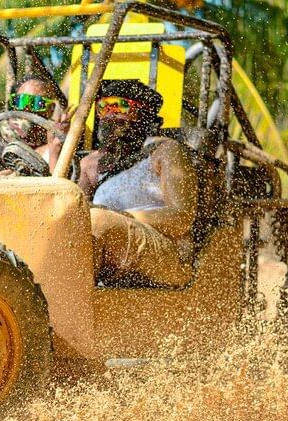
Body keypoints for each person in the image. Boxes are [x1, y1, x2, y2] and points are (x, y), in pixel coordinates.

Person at [78, 79, 198, 287]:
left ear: (144, 114)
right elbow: (73, 213)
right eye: (103, 107)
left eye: (120, 106)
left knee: (97, 220)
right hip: (107, 248)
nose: (110, 115)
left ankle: (75, 301)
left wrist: (118, 217)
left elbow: (182, 218)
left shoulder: (166, 151)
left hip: (165, 251)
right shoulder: (91, 164)